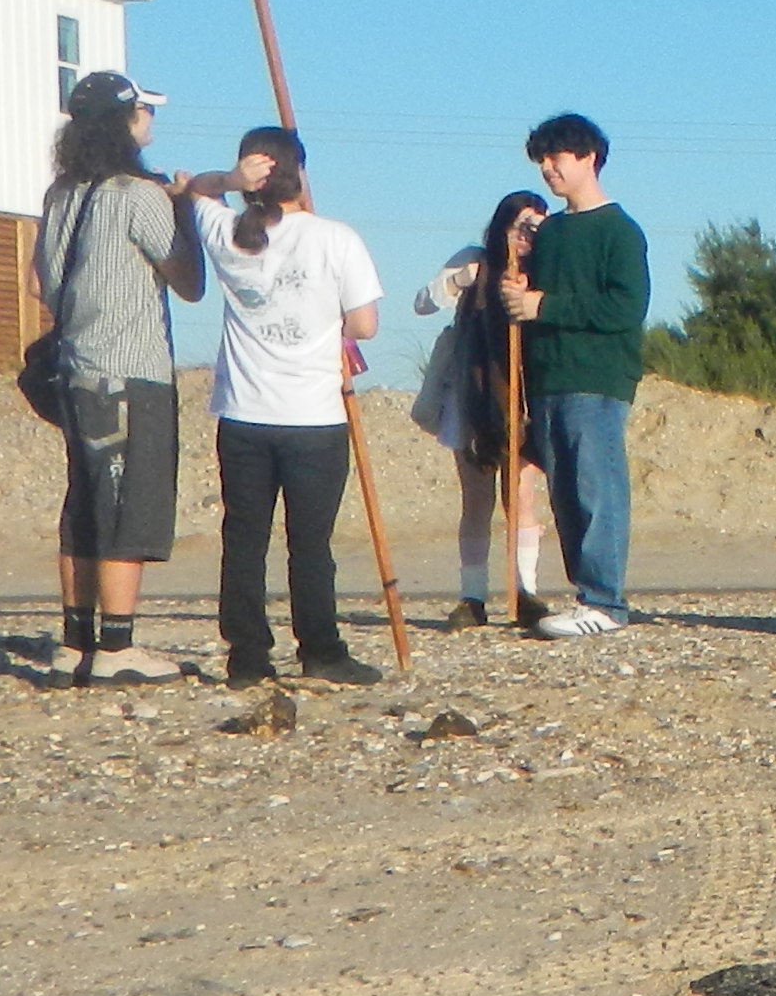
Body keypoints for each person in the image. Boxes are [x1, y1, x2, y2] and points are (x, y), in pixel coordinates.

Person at [182, 128, 383, 689]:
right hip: (314, 416)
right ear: (301, 175)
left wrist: (228, 181)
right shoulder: (335, 237)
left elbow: (196, 189)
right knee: (309, 542)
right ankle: (320, 648)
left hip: (245, 413)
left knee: (245, 538)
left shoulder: (226, 230)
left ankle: (247, 656)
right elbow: (365, 324)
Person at [35, 69, 203, 681]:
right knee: (128, 505)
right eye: (145, 111)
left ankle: (73, 638)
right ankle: (117, 645)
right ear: (125, 120)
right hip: (132, 369)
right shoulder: (138, 195)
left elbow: (43, 284)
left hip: (76, 368)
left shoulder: (62, 195)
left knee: (84, 500)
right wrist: (186, 214)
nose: (151, 121)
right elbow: (187, 283)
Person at [500, 112, 647, 638]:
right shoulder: (552, 232)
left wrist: (544, 304)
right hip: (546, 378)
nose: (548, 167)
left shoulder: (619, 231)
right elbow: (526, 297)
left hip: (598, 377)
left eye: (557, 156)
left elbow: (625, 308)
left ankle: (605, 600)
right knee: (564, 489)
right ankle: (586, 594)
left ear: (588, 158)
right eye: (541, 158)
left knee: (595, 485)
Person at [412, 189, 554, 629]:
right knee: (476, 501)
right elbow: (424, 302)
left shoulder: (542, 270)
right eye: (520, 227)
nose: (525, 237)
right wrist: (459, 280)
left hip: (522, 396)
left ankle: (524, 592)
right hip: (472, 396)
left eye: (535, 228)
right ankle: (472, 596)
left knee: (522, 497)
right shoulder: (475, 260)